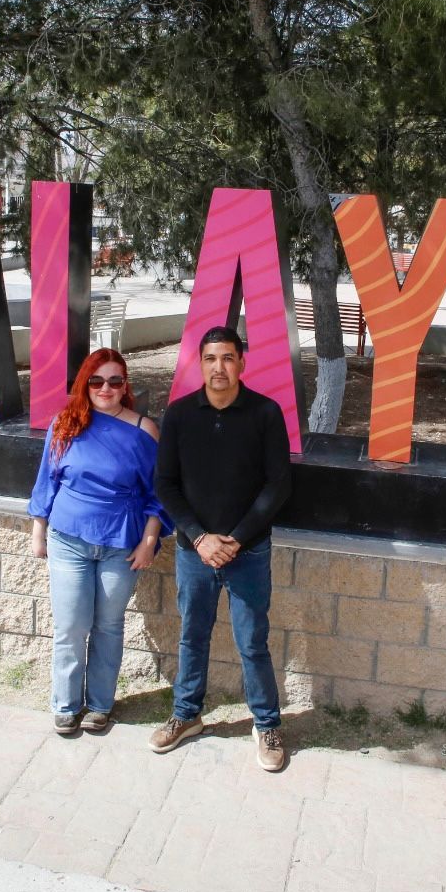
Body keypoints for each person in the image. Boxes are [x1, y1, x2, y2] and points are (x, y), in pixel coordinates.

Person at [149, 326, 292, 771]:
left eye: (228, 358)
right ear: (200, 363)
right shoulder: (179, 415)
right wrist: (199, 537)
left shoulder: (265, 413)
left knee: (252, 642)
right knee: (192, 635)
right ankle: (186, 715)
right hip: (195, 551)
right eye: (211, 358)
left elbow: (278, 486)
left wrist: (237, 538)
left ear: (241, 363)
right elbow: (165, 484)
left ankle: (267, 724)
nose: (219, 368)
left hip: (248, 552)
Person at [28, 348, 171, 736]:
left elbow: (157, 493)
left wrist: (149, 541)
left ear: (125, 386)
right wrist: (38, 531)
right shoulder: (66, 423)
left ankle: (100, 705)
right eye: (96, 380)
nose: (105, 388)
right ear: (84, 383)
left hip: (121, 543)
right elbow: (47, 480)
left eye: (114, 381)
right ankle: (65, 705)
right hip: (68, 539)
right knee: (71, 625)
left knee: (108, 625)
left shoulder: (144, 430)